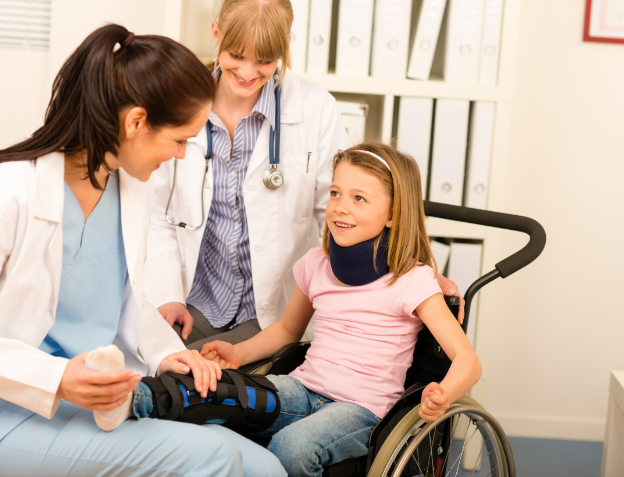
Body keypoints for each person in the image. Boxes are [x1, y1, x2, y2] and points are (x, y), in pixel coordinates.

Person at [0, 24, 284, 477]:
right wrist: (56, 378)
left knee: (266, 468)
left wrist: (165, 353)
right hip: (16, 409)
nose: (181, 155)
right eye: (178, 140)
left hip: (99, 400)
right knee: (217, 458)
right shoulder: (12, 193)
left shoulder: (128, 189)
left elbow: (124, 297)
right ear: (135, 122)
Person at [145, 0, 465, 351]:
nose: (248, 72)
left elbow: (348, 213)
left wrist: (412, 270)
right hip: (194, 302)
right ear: (216, 32)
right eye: (236, 54)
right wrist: (167, 294)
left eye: (265, 60)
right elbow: (157, 214)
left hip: (274, 312)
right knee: (150, 362)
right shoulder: (180, 103)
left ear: (286, 43)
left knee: (191, 379)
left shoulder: (314, 108)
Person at [200, 142, 483, 476]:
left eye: (359, 198)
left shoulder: (412, 281)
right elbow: (287, 330)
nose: (340, 207)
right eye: (336, 193)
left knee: (293, 448)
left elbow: (469, 362)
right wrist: (236, 353)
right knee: (222, 404)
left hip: (361, 409)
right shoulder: (316, 264)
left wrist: (443, 394)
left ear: (392, 214)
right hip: (303, 388)